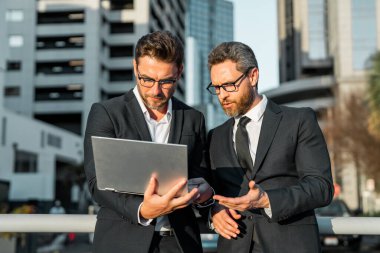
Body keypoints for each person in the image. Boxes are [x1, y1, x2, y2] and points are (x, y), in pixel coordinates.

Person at [84, 31, 213, 253]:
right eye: (147, 79)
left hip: (180, 243)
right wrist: (143, 210)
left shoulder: (194, 118)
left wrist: (204, 195)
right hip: (122, 242)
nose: (155, 90)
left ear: (179, 72)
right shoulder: (106, 113)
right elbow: (97, 184)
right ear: (135, 68)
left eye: (166, 81)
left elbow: (201, 175)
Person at [205, 42, 334, 253]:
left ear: (253, 76)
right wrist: (214, 211)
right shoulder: (215, 136)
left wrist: (267, 200)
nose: (222, 95)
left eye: (229, 85)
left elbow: (321, 187)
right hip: (234, 245)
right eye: (216, 87)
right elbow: (209, 193)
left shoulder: (299, 120)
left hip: (290, 245)